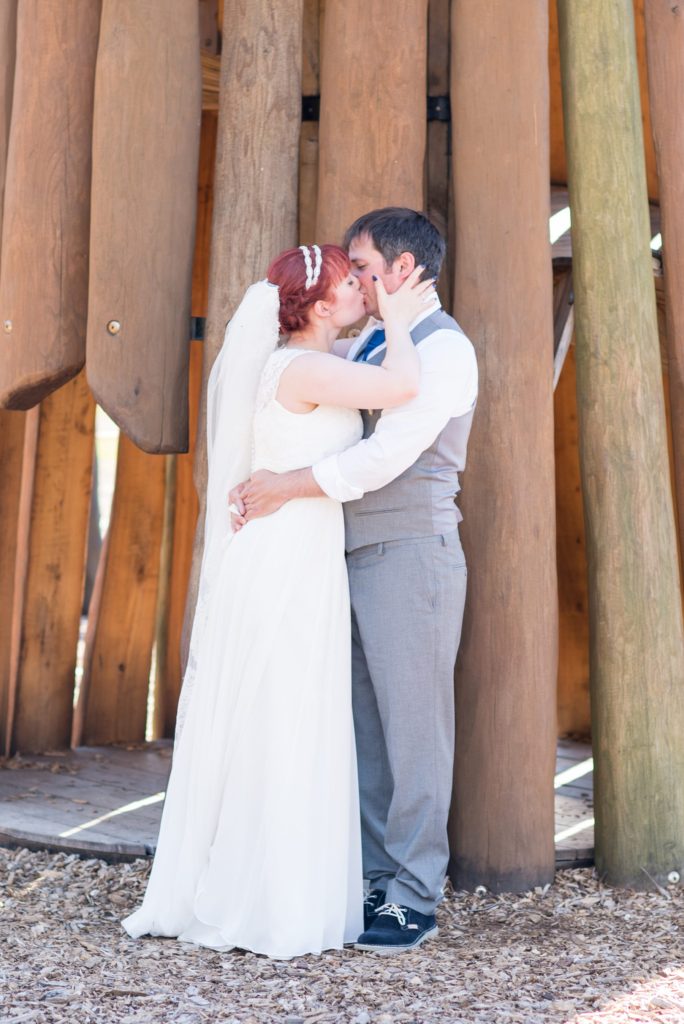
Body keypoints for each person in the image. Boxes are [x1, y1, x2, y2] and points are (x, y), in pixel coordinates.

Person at [121, 242, 434, 959]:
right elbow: (404, 388)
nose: (363, 290)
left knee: (281, 710)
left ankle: (262, 882)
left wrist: (388, 311)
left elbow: (365, 366)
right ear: (320, 307)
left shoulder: (305, 360)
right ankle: (266, 898)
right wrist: (406, 322)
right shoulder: (308, 366)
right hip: (289, 557)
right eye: (351, 285)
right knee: (284, 711)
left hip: (293, 551)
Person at [231, 208, 478, 954]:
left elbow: (382, 460)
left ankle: (412, 897)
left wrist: (286, 483)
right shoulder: (373, 339)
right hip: (346, 556)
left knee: (415, 734)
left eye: (366, 266)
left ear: (404, 271)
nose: (358, 280)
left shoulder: (446, 351)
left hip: (410, 551)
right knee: (367, 732)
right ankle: (375, 877)